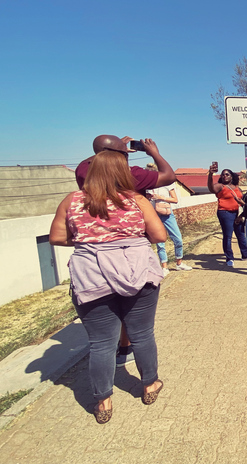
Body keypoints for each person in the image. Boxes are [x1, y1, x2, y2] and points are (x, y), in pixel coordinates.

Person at [50, 149, 166, 424]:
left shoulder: (73, 200)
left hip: (91, 275)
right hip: (137, 271)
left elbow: (56, 237)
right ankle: (149, 385)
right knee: (142, 333)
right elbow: (159, 235)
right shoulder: (136, 199)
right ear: (121, 173)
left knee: (102, 342)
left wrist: (92, 242)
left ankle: (103, 401)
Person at [75, 135, 175, 367]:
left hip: (94, 255)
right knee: (135, 313)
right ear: (120, 157)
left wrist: (110, 147)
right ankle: (134, 360)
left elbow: (59, 237)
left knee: (103, 328)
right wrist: (154, 153)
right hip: (130, 252)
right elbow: (169, 176)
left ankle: (110, 370)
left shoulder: (83, 172)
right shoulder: (131, 177)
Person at [146, 164, 192, 275]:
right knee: (160, 242)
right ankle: (164, 266)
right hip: (154, 214)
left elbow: (175, 199)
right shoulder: (147, 185)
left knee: (178, 239)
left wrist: (160, 197)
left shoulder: (166, 184)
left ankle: (179, 263)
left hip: (167, 214)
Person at [207, 163, 247, 267]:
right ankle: (229, 258)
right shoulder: (220, 186)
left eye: (227, 174)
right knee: (228, 236)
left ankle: (245, 255)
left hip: (237, 213)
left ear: (232, 176)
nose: (225, 176)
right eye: (223, 175)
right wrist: (210, 174)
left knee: (241, 234)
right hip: (225, 213)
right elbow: (211, 188)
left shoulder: (236, 187)